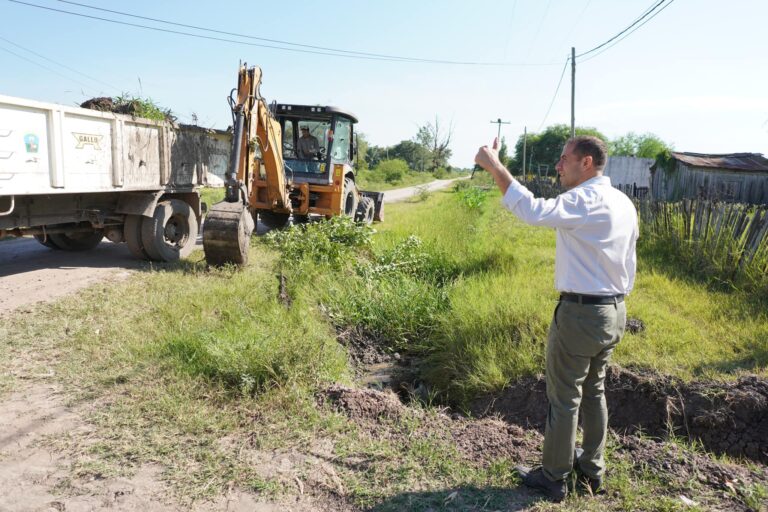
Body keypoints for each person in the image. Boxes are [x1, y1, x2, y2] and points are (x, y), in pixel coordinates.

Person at [474, 135, 638, 502]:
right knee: (594, 391)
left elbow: (532, 211)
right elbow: (629, 260)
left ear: (588, 162)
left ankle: (553, 477)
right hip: (614, 310)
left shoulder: (586, 198)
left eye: (565, 159)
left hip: (582, 313)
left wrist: (496, 167)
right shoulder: (623, 202)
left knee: (565, 398)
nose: (559, 165)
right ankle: (591, 470)